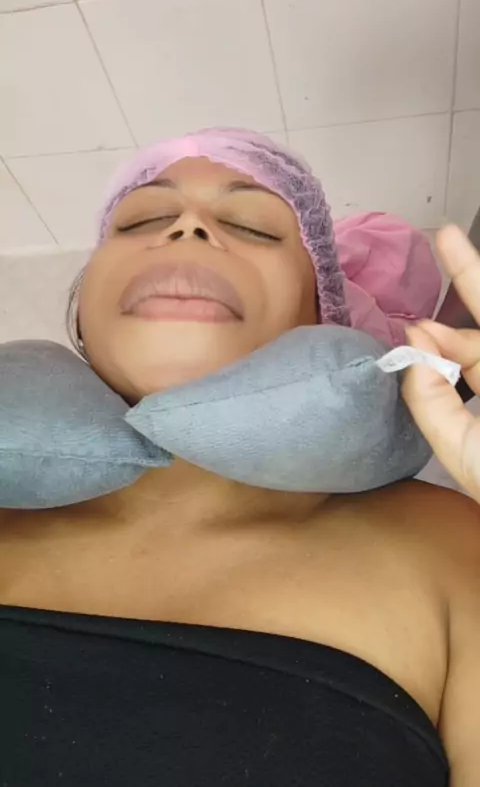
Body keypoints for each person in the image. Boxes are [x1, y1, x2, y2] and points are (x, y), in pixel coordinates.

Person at [0, 130, 479, 787]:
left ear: (324, 315)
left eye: (254, 227)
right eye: (141, 219)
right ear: (85, 315)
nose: (188, 227)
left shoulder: (448, 542)